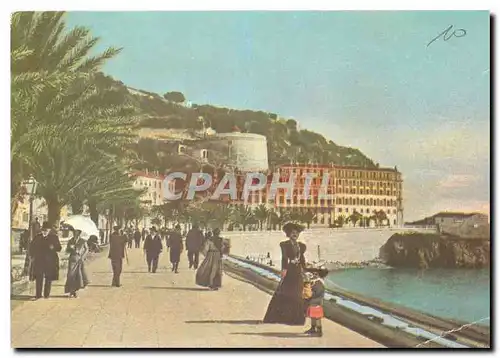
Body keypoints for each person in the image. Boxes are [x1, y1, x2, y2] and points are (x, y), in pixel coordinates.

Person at [263, 222, 307, 325]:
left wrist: (305, 271)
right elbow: (284, 258)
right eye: (292, 233)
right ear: (288, 234)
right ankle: (281, 317)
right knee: (285, 292)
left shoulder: (301, 246)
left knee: (297, 294)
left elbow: (302, 259)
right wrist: (284, 270)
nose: (295, 235)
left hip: (297, 272)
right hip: (290, 271)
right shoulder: (285, 244)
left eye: (296, 233)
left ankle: (295, 319)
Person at [28, 222, 62, 299]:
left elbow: (59, 248)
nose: (45, 231)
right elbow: (31, 247)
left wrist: (53, 247)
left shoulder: (54, 237)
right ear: (42, 230)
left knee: (48, 278)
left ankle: (46, 295)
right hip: (39, 261)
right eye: (44, 230)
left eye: (47, 230)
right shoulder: (37, 237)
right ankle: (38, 295)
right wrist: (32, 256)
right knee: (39, 277)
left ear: (49, 230)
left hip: (50, 261)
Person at [64, 229, 89, 298]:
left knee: (78, 276)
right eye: (74, 233)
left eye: (77, 233)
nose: (75, 234)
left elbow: (87, 249)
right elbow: (67, 250)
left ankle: (75, 291)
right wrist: (70, 248)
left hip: (79, 259)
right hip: (72, 259)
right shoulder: (70, 241)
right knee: (71, 275)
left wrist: (83, 256)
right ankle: (71, 291)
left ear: (79, 233)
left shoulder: (83, 241)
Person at [304, 268, 328, 337]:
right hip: (316, 301)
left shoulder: (318, 283)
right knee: (314, 316)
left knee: (317, 317)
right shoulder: (319, 282)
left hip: (316, 302)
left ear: (318, 274)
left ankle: (319, 331)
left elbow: (316, 293)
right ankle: (313, 328)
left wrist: (310, 294)